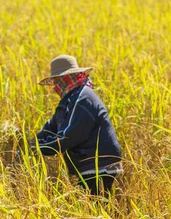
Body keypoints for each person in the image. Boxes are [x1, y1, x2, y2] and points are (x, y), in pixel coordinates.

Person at [32, 54, 122, 197]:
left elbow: (70, 136)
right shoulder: (69, 99)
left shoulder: (83, 98)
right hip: (88, 162)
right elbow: (53, 126)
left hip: (99, 164)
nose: (55, 87)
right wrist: (32, 141)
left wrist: (39, 148)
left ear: (66, 78)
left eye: (57, 81)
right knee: (92, 206)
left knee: (96, 208)